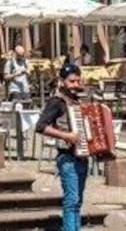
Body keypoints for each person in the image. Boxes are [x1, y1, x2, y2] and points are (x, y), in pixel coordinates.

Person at [35, 63, 89, 231]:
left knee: (78, 201)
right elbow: (40, 126)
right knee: (72, 201)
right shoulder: (56, 102)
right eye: (72, 81)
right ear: (62, 81)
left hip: (82, 156)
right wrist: (66, 136)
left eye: (78, 81)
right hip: (67, 157)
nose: (75, 85)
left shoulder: (77, 101)